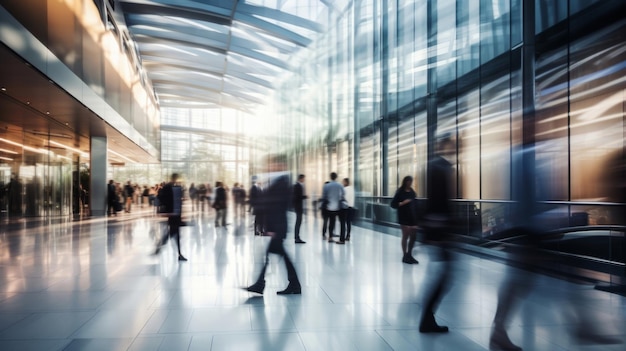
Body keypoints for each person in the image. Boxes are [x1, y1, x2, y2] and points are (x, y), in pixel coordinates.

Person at [245, 154, 301, 295]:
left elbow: (277, 206)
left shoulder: (281, 182)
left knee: (273, 256)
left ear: (280, 165)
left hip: (278, 226)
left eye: (272, 164)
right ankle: (292, 285)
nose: (269, 166)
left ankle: (261, 284)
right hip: (278, 226)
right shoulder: (277, 180)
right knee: (277, 256)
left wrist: (272, 228)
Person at [419, 134, 455, 333]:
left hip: (436, 227)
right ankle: (426, 316)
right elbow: (439, 201)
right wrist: (438, 230)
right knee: (445, 274)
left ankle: (427, 315)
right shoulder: (440, 167)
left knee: (442, 274)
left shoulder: (435, 165)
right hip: (439, 228)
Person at [154, 173, 187, 261]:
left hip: (175, 214)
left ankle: (161, 247)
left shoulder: (173, 187)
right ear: (175, 178)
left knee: (173, 234)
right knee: (173, 234)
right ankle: (178, 254)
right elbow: (162, 198)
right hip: (173, 214)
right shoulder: (168, 187)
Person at [390, 176, 419, 264]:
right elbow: (393, 204)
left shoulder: (412, 192)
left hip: (412, 216)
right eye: (408, 181)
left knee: (413, 236)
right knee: (405, 235)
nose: (410, 183)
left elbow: (415, 202)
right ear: (405, 182)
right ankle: (405, 255)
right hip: (403, 216)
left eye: (411, 181)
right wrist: (402, 203)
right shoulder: (400, 192)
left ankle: (409, 254)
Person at [322, 172, 346, 244]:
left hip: (329, 207)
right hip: (339, 207)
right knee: (342, 223)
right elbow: (343, 195)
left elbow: (324, 197)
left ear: (330, 177)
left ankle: (330, 237)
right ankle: (342, 239)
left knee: (331, 222)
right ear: (336, 177)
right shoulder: (340, 185)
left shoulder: (326, 186)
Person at [292, 174, 307, 244]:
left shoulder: (297, 185)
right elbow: (297, 197)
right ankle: (297, 238)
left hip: (298, 206)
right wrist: (304, 196)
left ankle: (297, 237)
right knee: (298, 222)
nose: (304, 180)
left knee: (299, 222)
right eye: (303, 179)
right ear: (301, 178)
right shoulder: (297, 186)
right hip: (298, 207)